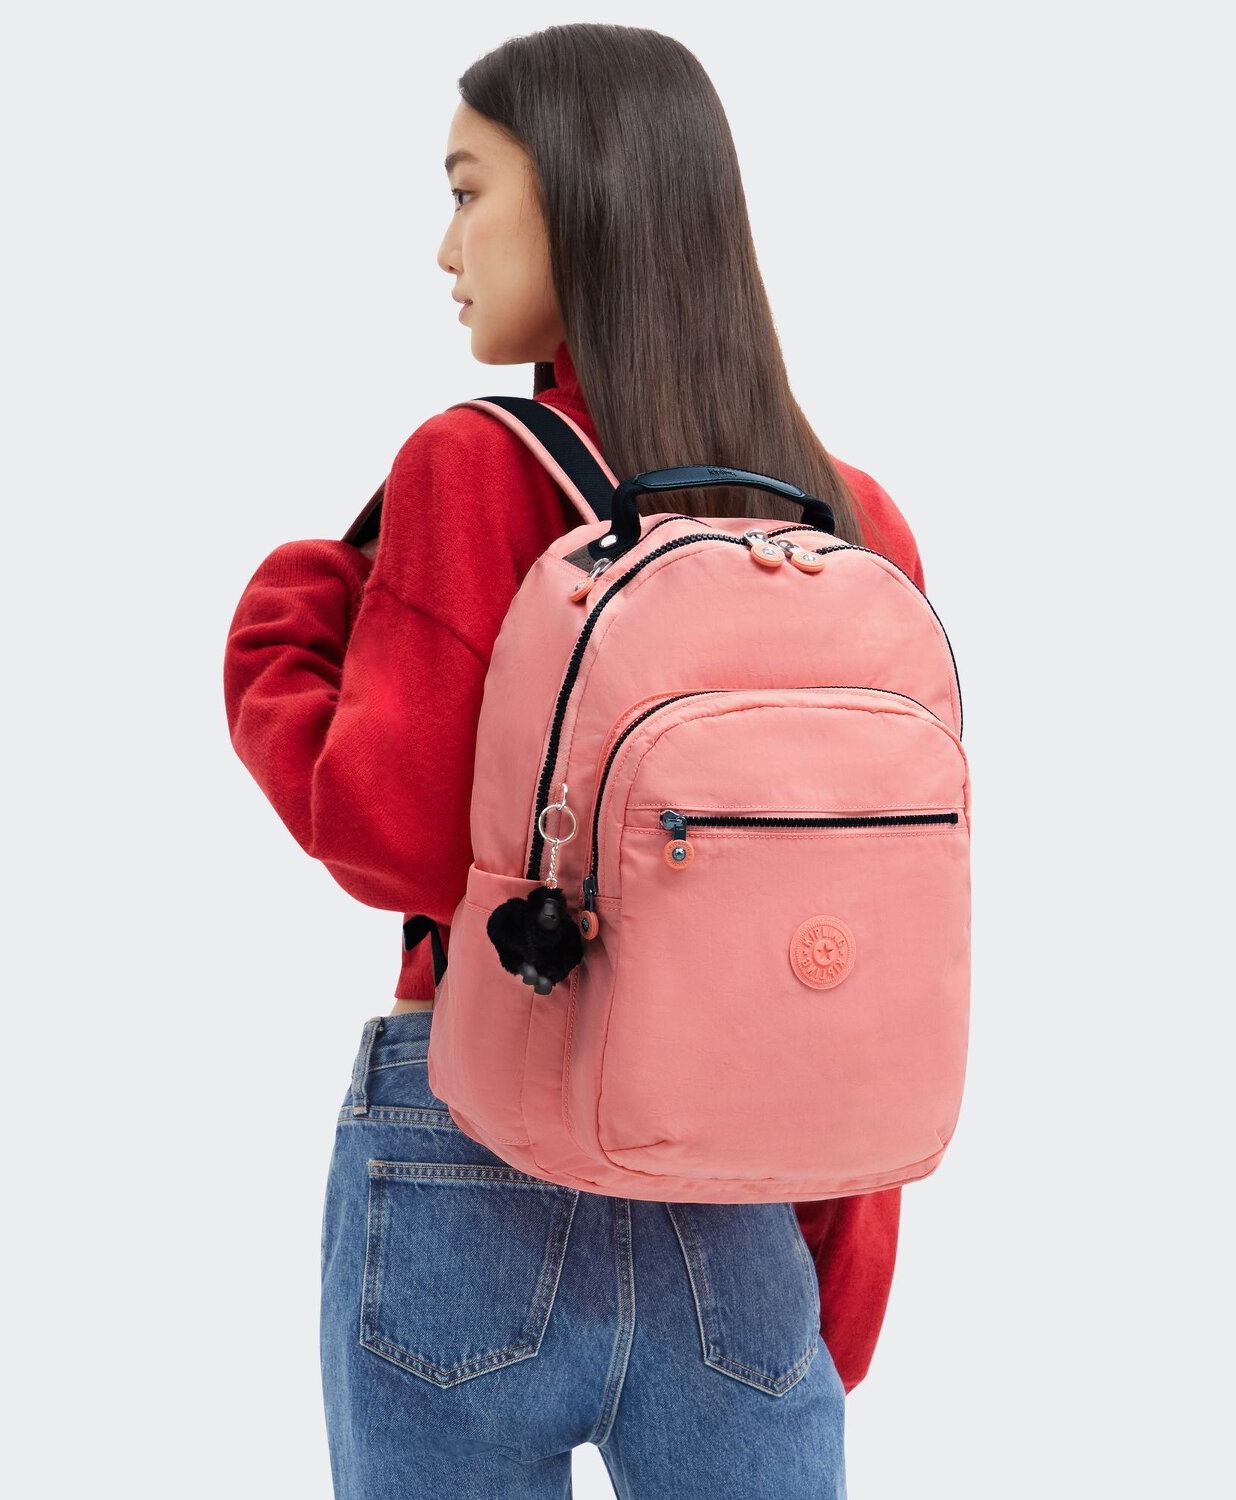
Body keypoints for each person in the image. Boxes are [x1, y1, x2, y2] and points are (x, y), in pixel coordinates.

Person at [224, 23, 924, 1499]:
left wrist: (285, 621)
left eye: (468, 190)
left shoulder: (475, 463)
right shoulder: (854, 525)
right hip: (755, 1187)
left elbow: (392, 838)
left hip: (469, 1156)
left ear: (583, 196)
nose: (446, 247)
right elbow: (866, 941)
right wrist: (835, 1263)